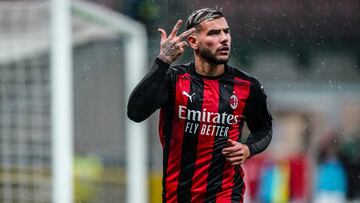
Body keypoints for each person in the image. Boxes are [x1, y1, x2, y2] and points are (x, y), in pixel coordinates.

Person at [127, 8, 272, 203]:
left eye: (226, 31)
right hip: (177, 196)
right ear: (193, 42)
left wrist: (248, 149)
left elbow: (264, 129)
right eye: (214, 33)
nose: (224, 39)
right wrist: (163, 61)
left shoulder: (247, 86)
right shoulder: (174, 79)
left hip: (226, 196)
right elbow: (135, 112)